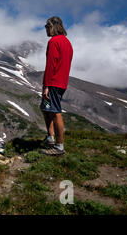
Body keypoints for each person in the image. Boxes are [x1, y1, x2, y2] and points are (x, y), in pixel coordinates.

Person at [39, 16, 73, 156]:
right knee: (46, 108)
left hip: (53, 81)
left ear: (52, 27)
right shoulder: (67, 42)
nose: (46, 30)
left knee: (55, 111)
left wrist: (46, 85)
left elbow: (51, 64)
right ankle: (50, 137)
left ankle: (59, 146)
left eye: (46, 27)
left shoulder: (53, 41)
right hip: (62, 81)